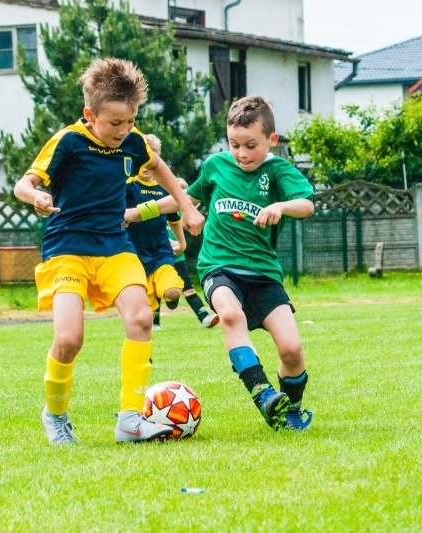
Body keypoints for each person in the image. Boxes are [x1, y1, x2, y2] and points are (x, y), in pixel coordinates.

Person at [13, 57, 204, 445]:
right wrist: (36, 196)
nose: (124, 130)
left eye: (130, 121)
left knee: (141, 319)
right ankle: (56, 415)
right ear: (90, 114)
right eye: (115, 122)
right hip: (67, 247)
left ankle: (130, 419)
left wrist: (185, 206)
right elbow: (23, 184)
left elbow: (163, 169)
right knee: (69, 339)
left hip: (116, 246)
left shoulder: (134, 143)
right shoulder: (68, 141)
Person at [126, 95, 315, 431]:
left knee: (292, 350)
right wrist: (137, 212)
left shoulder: (278, 171)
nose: (241, 153)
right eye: (234, 144)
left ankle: (291, 411)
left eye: (250, 145)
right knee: (229, 314)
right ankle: (260, 391)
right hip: (218, 266)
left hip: (264, 273)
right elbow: (184, 199)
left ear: (271, 140)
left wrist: (281, 207)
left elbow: (306, 204)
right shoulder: (216, 166)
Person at [124, 133, 186, 329]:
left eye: (153, 155)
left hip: (161, 252)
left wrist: (181, 243)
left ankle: (168, 297)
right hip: (134, 256)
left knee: (172, 292)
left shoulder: (165, 189)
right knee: (142, 319)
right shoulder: (127, 187)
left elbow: (174, 217)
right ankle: (144, 356)